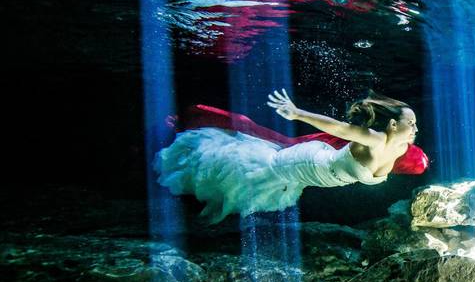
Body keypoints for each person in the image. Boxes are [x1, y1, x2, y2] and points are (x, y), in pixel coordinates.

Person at [155, 90, 425, 222]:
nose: (415, 128)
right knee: (259, 169)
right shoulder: (376, 140)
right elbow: (340, 127)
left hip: (319, 172)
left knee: (264, 173)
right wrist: (297, 113)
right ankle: (203, 130)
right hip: (307, 162)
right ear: (392, 125)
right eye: (410, 123)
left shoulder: (401, 149)